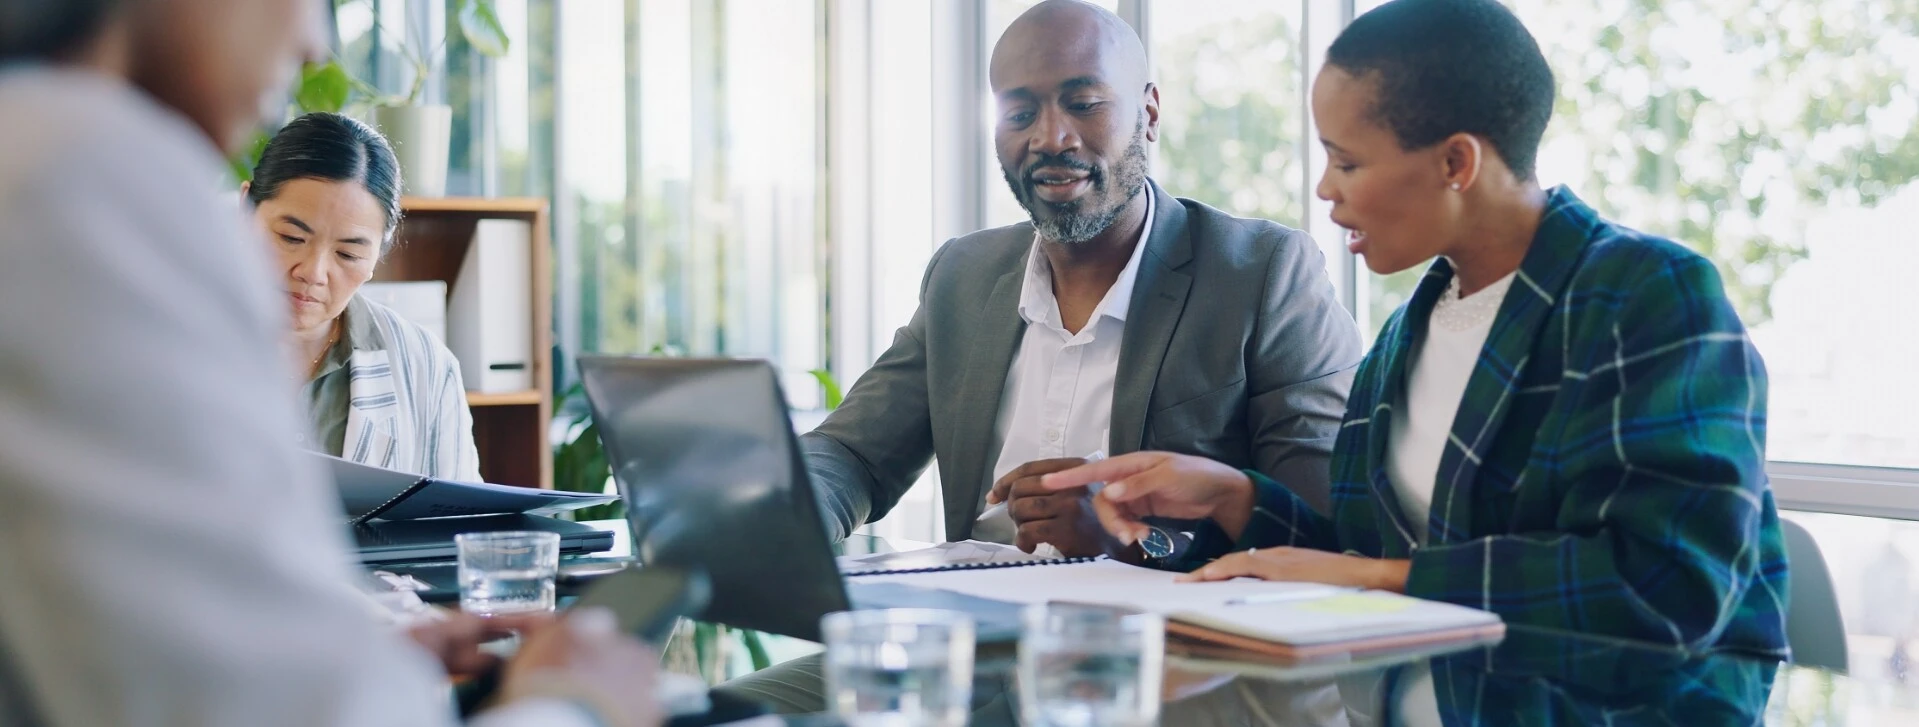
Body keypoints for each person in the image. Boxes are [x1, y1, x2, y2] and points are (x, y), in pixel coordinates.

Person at [1045, 0, 1788, 660]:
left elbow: (1671, 585)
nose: (1324, 189)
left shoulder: (1648, 296)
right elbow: (1363, 557)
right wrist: (1233, 497)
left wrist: (1374, 577)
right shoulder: (1404, 337)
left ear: (1456, 161)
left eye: (1346, 160)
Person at [0, 1, 659, 725]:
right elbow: (223, 688)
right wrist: (572, 707)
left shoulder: (56, 158)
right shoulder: (84, 185)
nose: (314, 41)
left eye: (350, 251)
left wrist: (373, 647)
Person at [805, 0, 1362, 560]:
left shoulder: (1263, 274)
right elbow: (854, 455)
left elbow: (1324, 528)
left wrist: (1134, 542)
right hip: (979, 630)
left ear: (1149, 113)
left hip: (1167, 637)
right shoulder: (962, 276)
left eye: (1084, 104)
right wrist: (775, 513)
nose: (1051, 138)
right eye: (1019, 114)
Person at [246, 112, 480, 480]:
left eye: (348, 254)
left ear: (376, 257)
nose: (313, 272)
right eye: (291, 238)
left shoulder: (427, 366)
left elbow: (464, 524)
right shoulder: (163, 336)